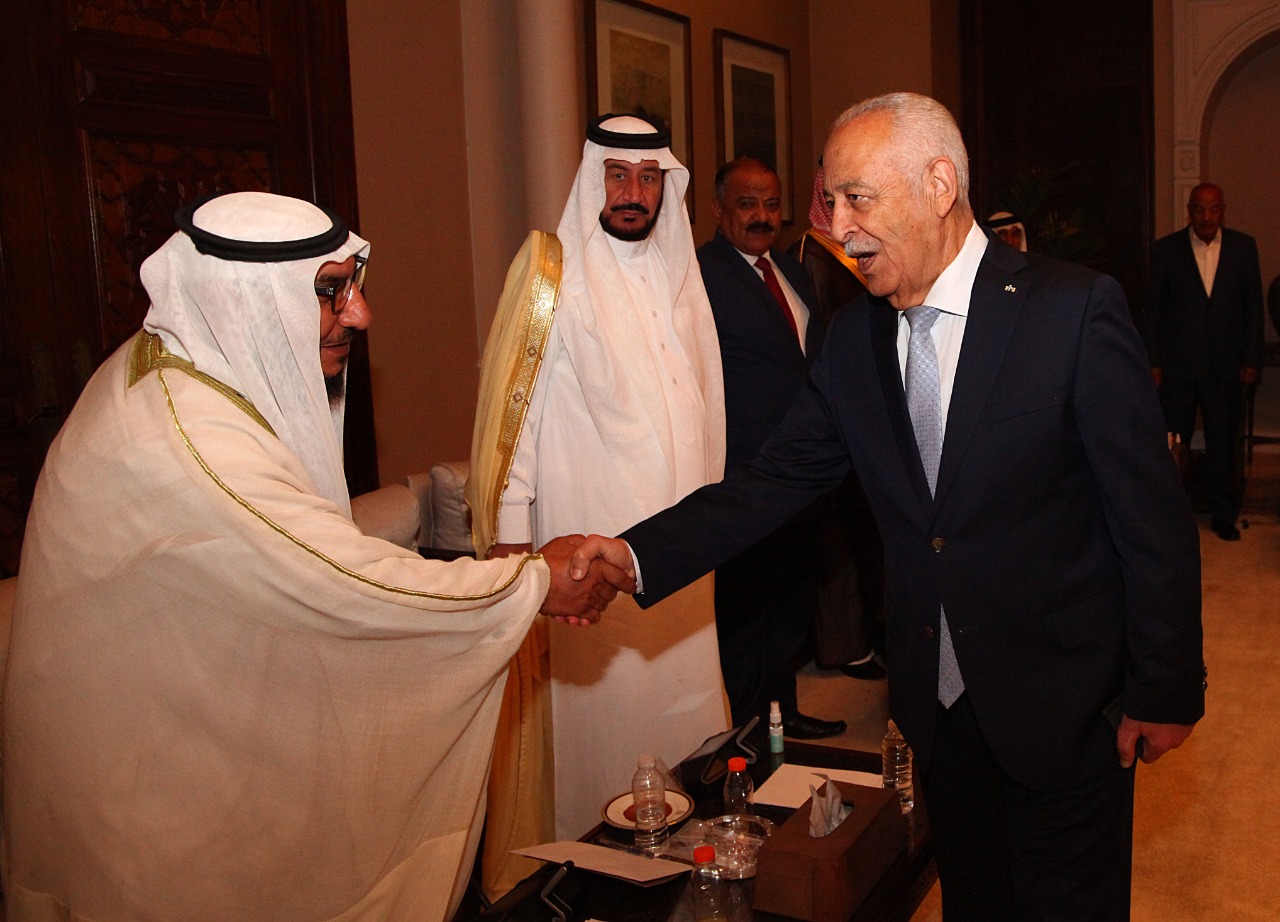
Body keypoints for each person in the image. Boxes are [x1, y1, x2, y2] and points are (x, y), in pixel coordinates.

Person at [580, 93, 1204, 920]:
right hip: (936, 716)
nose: (837, 227)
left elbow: (1150, 519)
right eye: (830, 202)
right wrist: (630, 555)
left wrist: (1166, 687)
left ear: (939, 185)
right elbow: (769, 484)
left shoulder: (1072, 312)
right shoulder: (854, 340)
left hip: (1065, 709)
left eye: (856, 199)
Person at [4, 191, 633, 922]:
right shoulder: (188, 444)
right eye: (330, 291)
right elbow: (344, 578)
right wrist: (533, 583)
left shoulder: (187, 364)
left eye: (352, 284)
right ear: (246, 298)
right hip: (142, 794)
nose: (359, 313)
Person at [472, 114, 729, 845]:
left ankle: (686, 850)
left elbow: (708, 400)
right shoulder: (555, 278)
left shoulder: (681, 276)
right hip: (593, 547)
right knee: (606, 724)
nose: (633, 193)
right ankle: (591, 864)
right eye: (617, 175)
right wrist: (513, 544)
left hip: (682, 548)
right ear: (593, 180)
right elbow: (516, 412)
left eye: (648, 178)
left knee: (687, 710)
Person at [696, 156, 846, 737]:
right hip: (745, 473)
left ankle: (783, 715)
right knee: (746, 613)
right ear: (718, 210)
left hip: (802, 472)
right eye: (747, 204)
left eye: (771, 204)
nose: (761, 216)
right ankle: (744, 733)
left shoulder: (790, 269)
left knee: (790, 602)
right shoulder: (699, 276)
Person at [789, 162, 886, 682]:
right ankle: (847, 645)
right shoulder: (812, 252)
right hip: (842, 403)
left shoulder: (863, 246)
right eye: (832, 198)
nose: (842, 212)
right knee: (841, 539)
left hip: (873, 397)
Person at [1145, 182, 1265, 540]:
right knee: (1174, 446)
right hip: (1178, 367)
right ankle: (1173, 518)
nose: (1207, 216)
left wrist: (1251, 358)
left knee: (1222, 445)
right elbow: (1154, 311)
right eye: (1199, 209)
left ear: (1222, 211)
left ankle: (1223, 515)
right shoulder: (1166, 250)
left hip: (1226, 366)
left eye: (1213, 209)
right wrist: (1153, 361)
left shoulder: (1243, 248)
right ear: (1190, 212)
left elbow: (1253, 308)